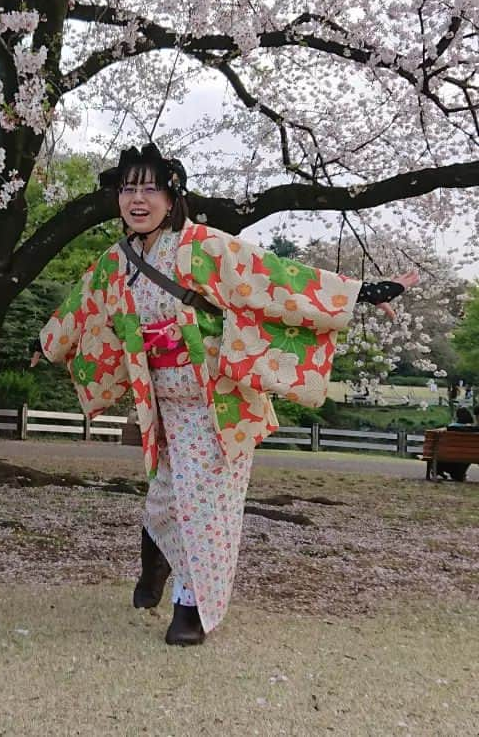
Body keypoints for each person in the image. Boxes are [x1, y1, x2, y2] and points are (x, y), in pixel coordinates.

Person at [32, 143, 417, 646]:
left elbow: (275, 279)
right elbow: (80, 309)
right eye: (129, 188)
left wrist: (360, 292)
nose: (138, 198)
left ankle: (192, 605)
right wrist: (45, 343)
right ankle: (157, 558)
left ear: (172, 197)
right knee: (164, 500)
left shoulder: (205, 247)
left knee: (206, 505)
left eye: (151, 187)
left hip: (217, 403)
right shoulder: (114, 262)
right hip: (161, 406)